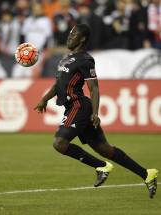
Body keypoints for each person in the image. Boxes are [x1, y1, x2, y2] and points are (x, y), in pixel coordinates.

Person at [34, 24, 158, 199]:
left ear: (82, 38)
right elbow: (58, 84)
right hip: (72, 106)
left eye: (74, 34)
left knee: (59, 143)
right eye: (69, 34)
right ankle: (146, 174)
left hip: (79, 105)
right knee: (105, 149)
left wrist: (95, 112)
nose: (69, 37)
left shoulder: (85, 59)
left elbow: (94, 89)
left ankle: (101, 166)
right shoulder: (66, 58)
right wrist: (44, 99)